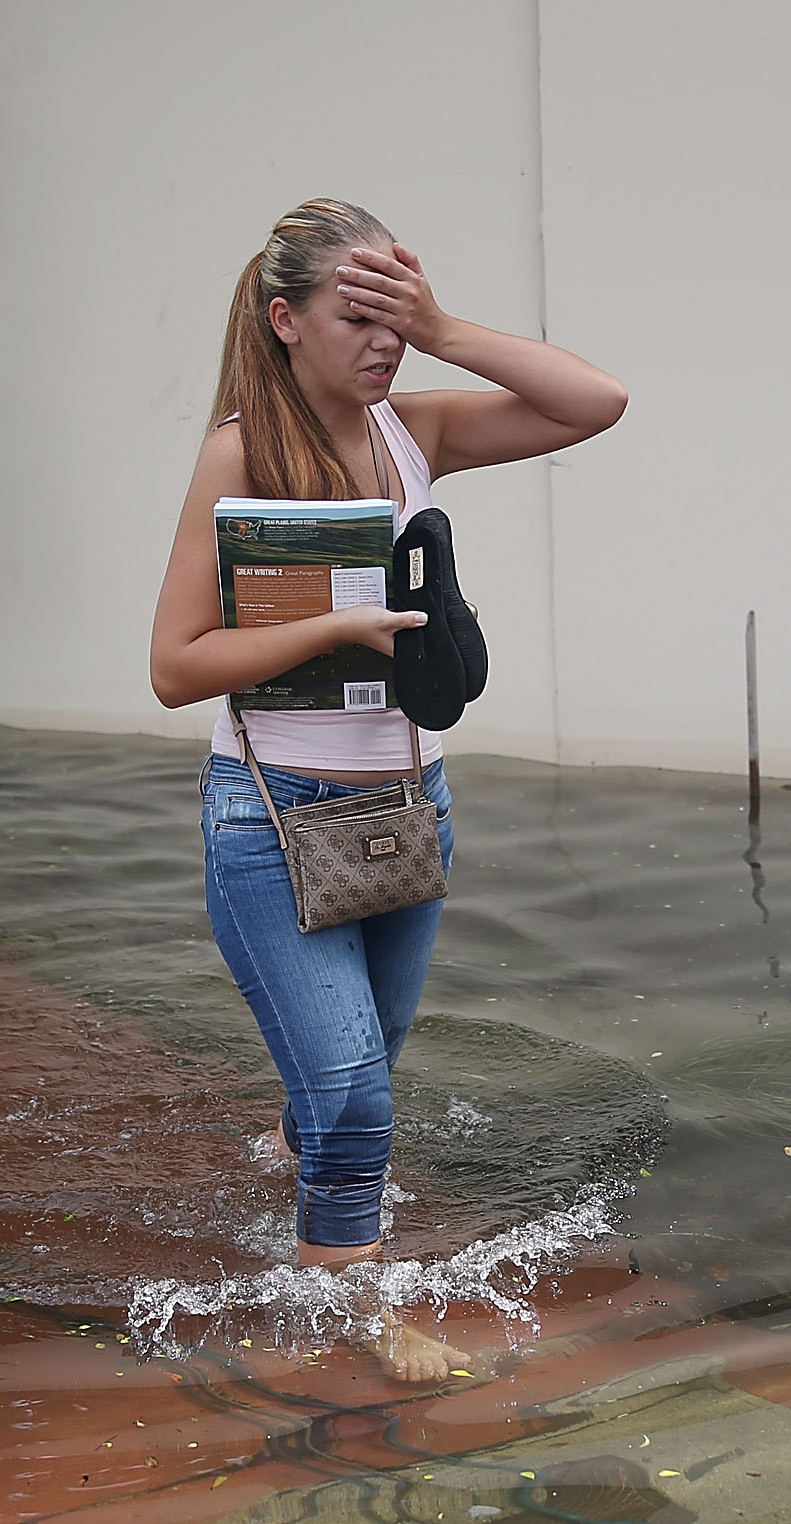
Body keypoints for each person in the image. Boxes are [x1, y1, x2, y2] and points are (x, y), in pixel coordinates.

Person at [149, 198, 625, 1384]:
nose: (384, 343)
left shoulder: (414, 430)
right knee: (358, 1093)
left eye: (395, 318)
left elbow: (596, 402)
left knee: (365, 1066)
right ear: (284, 320)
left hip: (407, 806)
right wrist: (333, 625)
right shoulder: (238, 453)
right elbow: (174, 665)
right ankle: (351, 1322)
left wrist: (448, 324)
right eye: (359, 316)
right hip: (271, 814)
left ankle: (292, 1161)